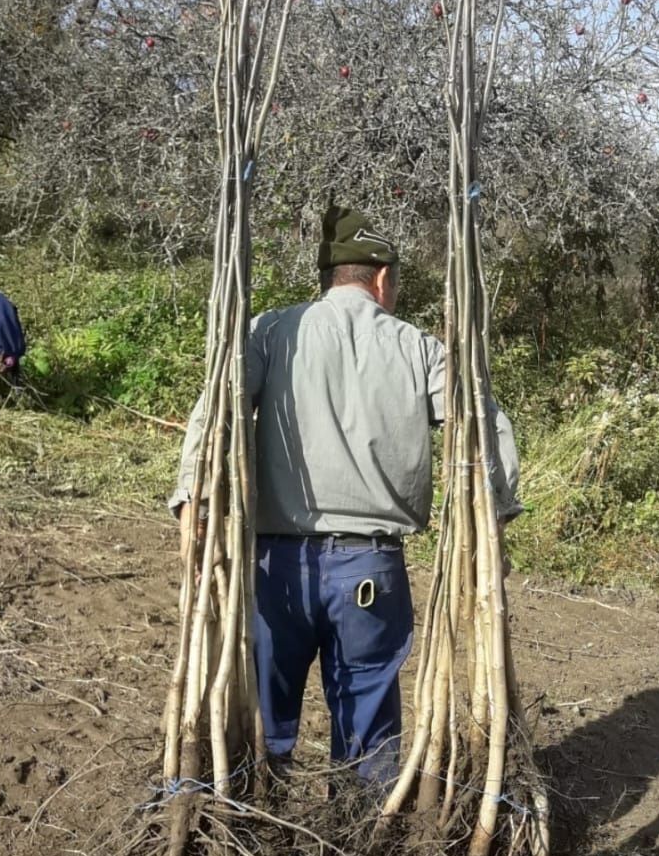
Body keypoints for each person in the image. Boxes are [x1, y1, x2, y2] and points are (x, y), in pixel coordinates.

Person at [169, 205, 522, 790]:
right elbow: (485, 424)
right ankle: (363, 839)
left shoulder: (271, 332)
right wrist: (496, 509)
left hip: (277, 567)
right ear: (382, 278)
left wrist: (193, 495)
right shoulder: (420, 349)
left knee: (264, 714)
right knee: (367, 728)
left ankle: (258, 824)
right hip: (370, 569)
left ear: (331, 277)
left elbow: (217, 409)